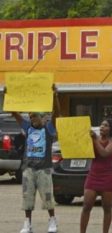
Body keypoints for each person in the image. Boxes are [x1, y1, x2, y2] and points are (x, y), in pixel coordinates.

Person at [9, 85, 60, 233]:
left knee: (48, 197)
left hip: (44, 169)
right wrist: (9, 96)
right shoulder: (28, 128)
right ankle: (27, 223)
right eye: (30, 117)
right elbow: (14, 113)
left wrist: (55, 96)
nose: (32, 119)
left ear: (43, 117)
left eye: (35, 116)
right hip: (29, 169)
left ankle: (52, 221)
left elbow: (57, 113)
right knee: (27, 197)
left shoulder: (48, 129)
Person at [80, 119, 112, 233]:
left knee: (107, 208)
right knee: (86, 206)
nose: (102, 127)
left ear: (111, 129)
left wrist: (95, 139)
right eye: (101, 125)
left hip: (107, 178)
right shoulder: (93, 139)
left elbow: (104, 153)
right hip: (93, 176)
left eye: (105, 125)